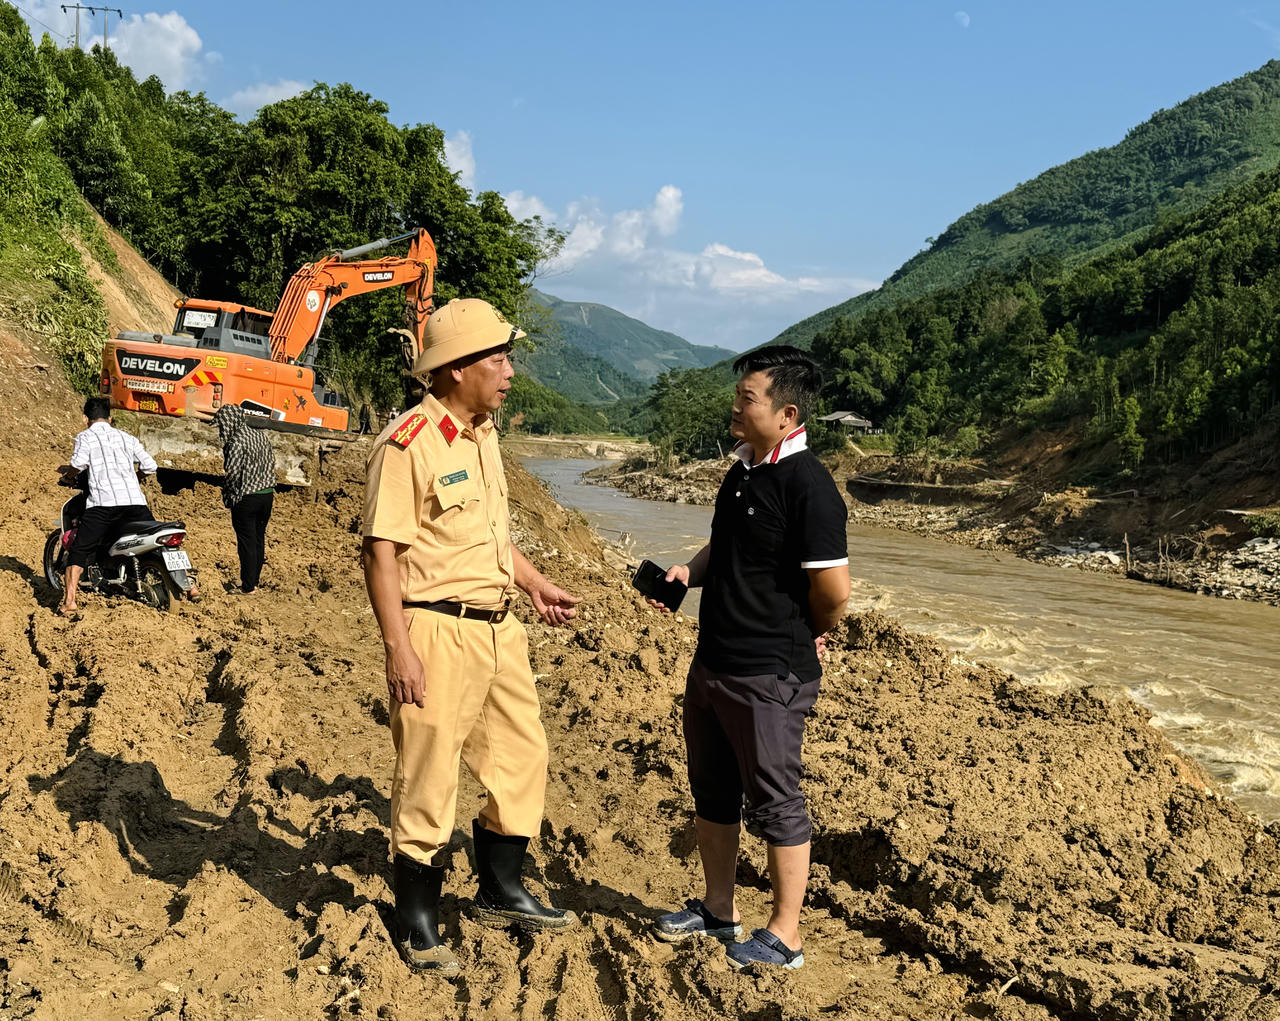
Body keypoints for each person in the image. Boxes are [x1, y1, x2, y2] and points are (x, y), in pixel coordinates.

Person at [361, 297, 583, 973]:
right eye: (499, 358)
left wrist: (533, 582)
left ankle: (500, 888)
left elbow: (487, 536)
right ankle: (417, 920)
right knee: (429, 774)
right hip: (435, 630)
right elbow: (380, 552)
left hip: (498, 628)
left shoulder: (483, 434)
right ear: (457, 367)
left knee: (521, 756)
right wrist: (399, 648)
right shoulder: (408, 444)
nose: (510, 371)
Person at [648, 345, 850, 971]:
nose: (736, 408)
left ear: (787, 415)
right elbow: (726, 545)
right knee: (712, 790)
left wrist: (807, 632)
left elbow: (834, 592)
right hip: (713, 662)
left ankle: (785, 936)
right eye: (737, 396)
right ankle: (718, 909)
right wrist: (689, 572)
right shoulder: (742, 472)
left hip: (768, 674)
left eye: (748, 399)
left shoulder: (810, 486)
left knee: (775, 799)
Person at [60, 397, 165, 614]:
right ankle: (189, 586)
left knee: (79, 549)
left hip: (103, 504)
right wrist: (136, 478)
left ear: (85, 418)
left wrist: (68, 477)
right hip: (135, 503)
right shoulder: (127, 437)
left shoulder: (86, 436)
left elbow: (78, 464)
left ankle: (70, 601)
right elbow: (150, 466)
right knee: (157, 541)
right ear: (110, 418)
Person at [212, 405, 276, 594]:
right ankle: (254, 581)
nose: (221, 430)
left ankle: (247, 587)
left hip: (246, 498)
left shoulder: (236, 441)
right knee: (258, 539)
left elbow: (232, 473)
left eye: (221, 425)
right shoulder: (260, 436)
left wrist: (228, 495)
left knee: (246, 543)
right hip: (267, 496)